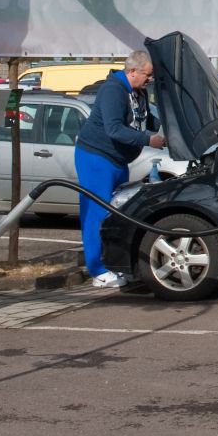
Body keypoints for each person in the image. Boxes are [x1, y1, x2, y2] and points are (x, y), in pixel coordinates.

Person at [74, 50, 166, 289]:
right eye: (147, 75)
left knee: (120, 211)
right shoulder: (113, 90)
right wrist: (148, 141)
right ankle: (98, 270)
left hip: (118, 161)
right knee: (96, 212)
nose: (150, 80)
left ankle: (119, 265)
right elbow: (114, 129)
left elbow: (148, 121)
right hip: (97, 157)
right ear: (132, 71)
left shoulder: (138, 92)